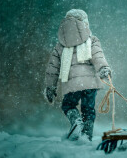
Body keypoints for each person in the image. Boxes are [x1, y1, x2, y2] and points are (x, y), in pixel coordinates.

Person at [44, 9, 111, 141]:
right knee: (88, 110)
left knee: (68, 105)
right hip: (90, 83)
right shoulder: (92, 40)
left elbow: (53, 67)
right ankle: (86, 136)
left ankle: (76, 123)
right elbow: (98, 56)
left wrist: (50, 87)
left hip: (71, 83)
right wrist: (103, 68)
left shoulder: (60, 45)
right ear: (85, 23)